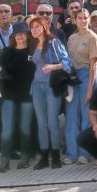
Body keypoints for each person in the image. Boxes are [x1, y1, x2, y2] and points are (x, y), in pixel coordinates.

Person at [28, 15, 72, 170]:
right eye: (32, 27)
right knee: (41, 123)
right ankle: (44, 156)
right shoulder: (32, 44)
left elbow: (67, 63)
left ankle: (56, 156)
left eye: (37, 27)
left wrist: (53, 67)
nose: (34, 30)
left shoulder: (53, 42)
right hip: (37, 87)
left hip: (51, 86)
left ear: (44, 27)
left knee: (52, 122)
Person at [0, 22, 35, 173]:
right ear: (13, 36)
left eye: (23, 33)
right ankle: (4, 159)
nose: (21, 36)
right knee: (7, 129)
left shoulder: (33, 51)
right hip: (9, 95)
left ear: (28, 35)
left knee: (25, 128)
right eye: (18, 34)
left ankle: (25, 157)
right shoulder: (7, 51)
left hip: (27, 96)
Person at [65, 9, 97, 165]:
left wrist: (90, 90)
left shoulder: (93, 38)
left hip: (88, 75)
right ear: (74, 20)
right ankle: (71, 153)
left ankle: (85, 153)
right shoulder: (71, 38)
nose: (82, 20)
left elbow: (94, 66)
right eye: (79, 18)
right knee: (71, 116)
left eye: (85, 18)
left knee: (87, 116)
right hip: (73, 77)